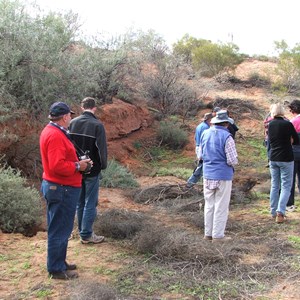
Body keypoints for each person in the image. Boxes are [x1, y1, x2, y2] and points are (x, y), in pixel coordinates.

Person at [40, 102, 93, 280]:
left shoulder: (53, 131)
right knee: (60, 229)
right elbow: (57, 166)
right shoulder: (55, 135)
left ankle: (59, 262)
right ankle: (56, 268)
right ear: (64, 117)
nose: (71, 117)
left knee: (60, 227)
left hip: (58, 187)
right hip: (61, 188)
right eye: (69, 115)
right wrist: (79, 165)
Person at [69, 97, 108, 244]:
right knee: (90, 202)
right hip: (92, 170)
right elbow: (101, 149)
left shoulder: (72, 123)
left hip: (77, 168)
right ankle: (86, 234)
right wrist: (102, 165)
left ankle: (81, 232)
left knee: (80, 202)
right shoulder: (97, 125)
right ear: (94, 108)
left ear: (81, 106)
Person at [199, 110, 238, 242]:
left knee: (209, 205)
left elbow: (200, 155)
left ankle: (208, 234)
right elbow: (232, 160)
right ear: (226, 123)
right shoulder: (227, 137)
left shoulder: (205, 133)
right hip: (223, 175)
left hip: (208, 174)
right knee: (221, 206)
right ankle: (218, 235)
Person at [268, 103, 299, 223]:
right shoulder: (287, 124)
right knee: (286, 186)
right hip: (286, 157)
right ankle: (280, 212)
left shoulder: (270, 124)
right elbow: (296, 139)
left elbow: (270, 140)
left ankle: (272, 211)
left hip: (273, 157)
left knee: (275, 185)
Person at [186, 112, 213, 188]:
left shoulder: (199, 126)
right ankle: (191, 183)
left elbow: (195, 138)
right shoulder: (206, 128)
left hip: (198, 147)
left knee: (201, 166)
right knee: (202, 167)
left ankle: (190, 183)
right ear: (209, 119)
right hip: (202, 149)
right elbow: (205, 141)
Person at [286, 100, 300, 211]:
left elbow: (289, 139)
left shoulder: (292, 122)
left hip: (294, 152)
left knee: (291, 179)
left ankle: (290, 203)